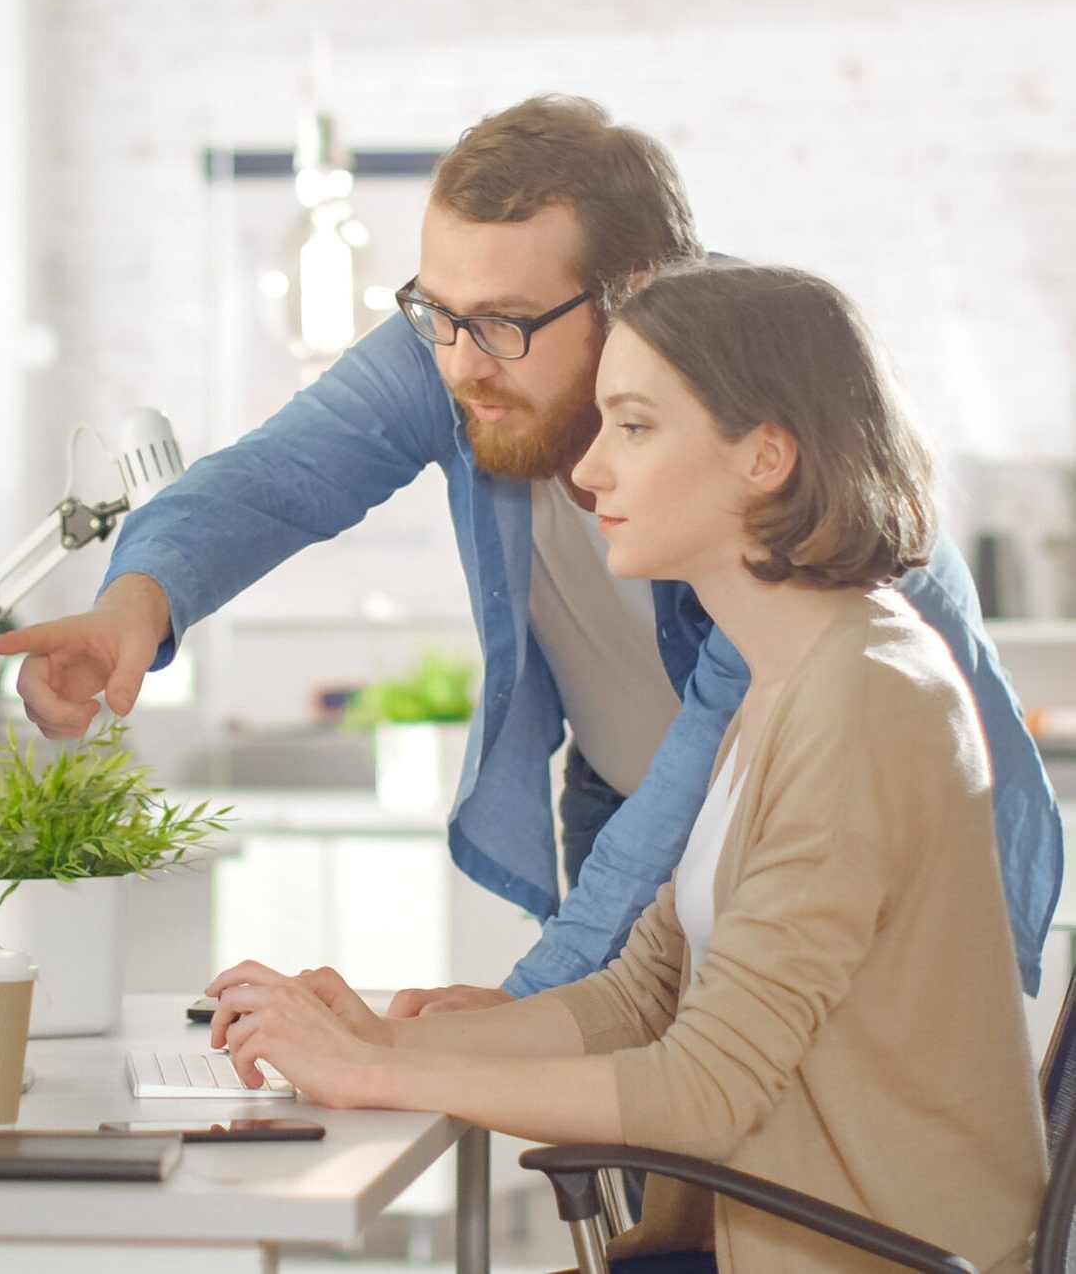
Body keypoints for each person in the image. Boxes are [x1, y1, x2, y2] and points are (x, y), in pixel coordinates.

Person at [0, 96, 1060, 1013]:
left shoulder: (763, 428)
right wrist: (138, 602)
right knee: (652, 1203)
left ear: (638, 293)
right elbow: (277, 476)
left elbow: (707, 761)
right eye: (438, 315)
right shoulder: (464, 347)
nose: (459, 365)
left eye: (502, 324)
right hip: (637, 803)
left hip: (871, 859)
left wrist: (529, 1006)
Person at [205, 262, 1047, 1274]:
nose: (589, 470)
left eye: (635, 427)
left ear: (765, 456)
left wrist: (372, 1075)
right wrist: (381, 1047)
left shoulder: (863, 698)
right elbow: (640, 995)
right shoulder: (790, 674)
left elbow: (702, 1092)